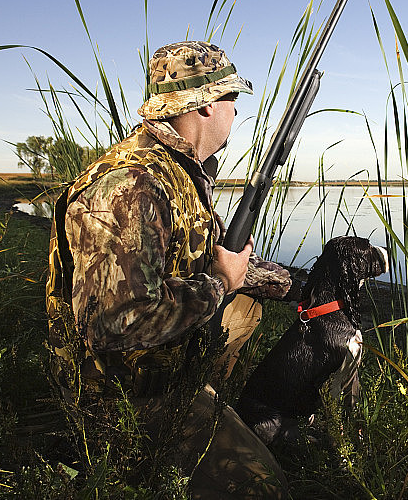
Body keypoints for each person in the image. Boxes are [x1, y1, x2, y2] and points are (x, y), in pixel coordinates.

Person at [46, 41, 299, 499]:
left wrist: (290, 285)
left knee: (245, 309)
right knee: (266, 488)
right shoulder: (131, 185)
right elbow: (116, 322)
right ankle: (135, 453)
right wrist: (220, 283)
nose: (236, 112)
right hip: (121, 396)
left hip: (156, 364)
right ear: (205, 105)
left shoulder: (179, 172)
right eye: (232, 99)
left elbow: (213, 256)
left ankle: (201, 399)